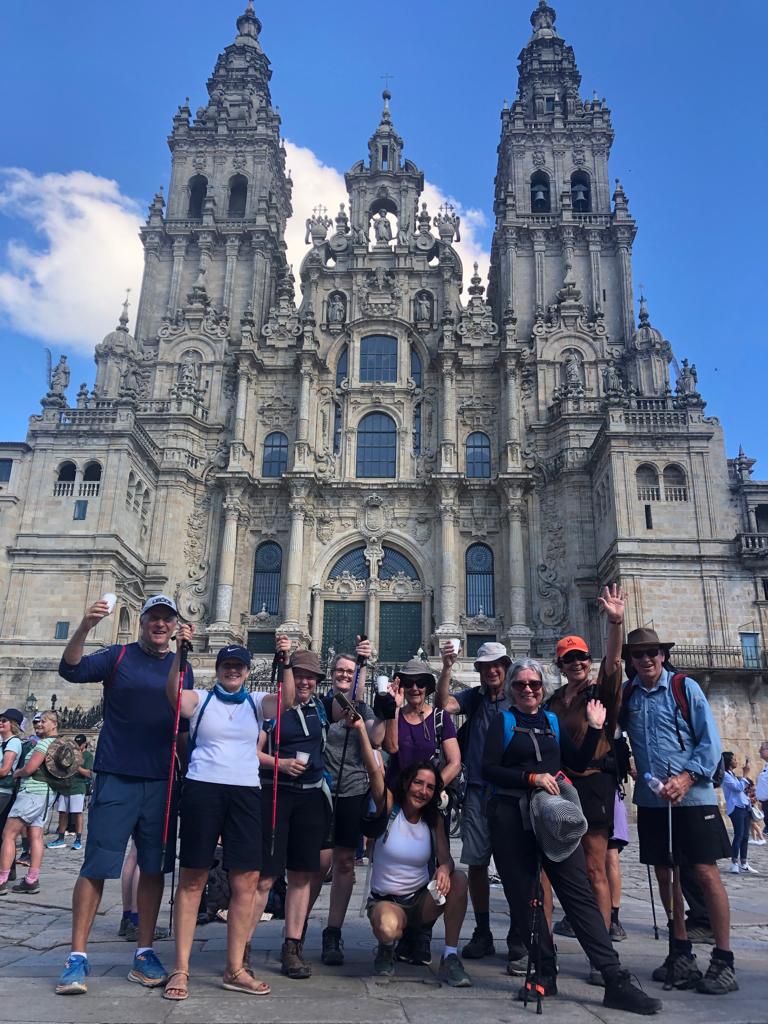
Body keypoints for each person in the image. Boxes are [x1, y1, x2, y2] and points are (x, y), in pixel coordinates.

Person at [482, 658, 661, 1015]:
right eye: (521, 685)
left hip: (553, 816)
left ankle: (614, 977)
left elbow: (576, 762)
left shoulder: (550, 721)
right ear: (511, 690)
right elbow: (487, 768)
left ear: (542, 688)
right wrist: (529, 779)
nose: (528, 690)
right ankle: (544, 973)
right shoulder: (502, 721)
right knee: (524, 898)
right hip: (510, 817)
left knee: (578, 893)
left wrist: (595, 728)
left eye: (534, 684)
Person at [54, 594, 194, 996]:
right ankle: (76, 957)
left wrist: (191, 774)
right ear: (143, 621)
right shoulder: (117, 656)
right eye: (154, 617)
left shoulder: (181, 667)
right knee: (96, 865)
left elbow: (183, 728)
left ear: (173, 625)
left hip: (162, 780)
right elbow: (71, 669)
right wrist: (83, 626)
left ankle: (144, 951)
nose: (161, 624)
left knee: (153, 868)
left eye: (167, 619)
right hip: (116, 775)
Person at [161, 633, 294, 1000]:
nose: (232, 671)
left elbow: (286, 701)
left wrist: (285, 661)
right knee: (193, 878)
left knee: (247, 880)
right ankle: (182, 968)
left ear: (248, 671)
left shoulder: (255, 703)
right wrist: (180, 654)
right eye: (227, 666)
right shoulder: (200, 699)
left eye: (238, 666)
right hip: (203, 788)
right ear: (218, 670)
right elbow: (173, 695)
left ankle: (235, 967)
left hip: (246, 793)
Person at [620, 626, 736, 995]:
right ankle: (681, 950)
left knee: (704, 872)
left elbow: (711, 741)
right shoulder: (629, 695)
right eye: (639, 655)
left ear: (663, 655)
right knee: (665, 874)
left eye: (653, 653)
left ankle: (723, 959)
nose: (647, 659)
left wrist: (687, 777)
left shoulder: (685, 688)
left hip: (693, 798)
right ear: (632, 661)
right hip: (654, 799)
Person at [546, 585, 625, 981]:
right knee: (552, 870)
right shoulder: (554, 700)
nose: (575, 663)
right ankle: (545, 946)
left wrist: (615, 621)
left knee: (595, 868)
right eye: (568, 659)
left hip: (593, 786)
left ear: (588, 661)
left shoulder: (601, 691)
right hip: (561, 789)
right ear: (560, 665)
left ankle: (603, 953)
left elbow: (614, 662)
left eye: (580, 657)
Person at [436, 640, 527, 973]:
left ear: (506, 665)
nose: (492, 670)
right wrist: (447, 667)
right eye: (486, 666)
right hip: (476, 792)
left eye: (497, 664)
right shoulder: (473, 698)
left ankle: (519, 936)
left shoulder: (519, 695)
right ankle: (483, 931)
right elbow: (442, 704)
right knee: (476, 864)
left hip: (510, 793)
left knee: (512, 867)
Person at [250, 648, 331, 981]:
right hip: (276, 795)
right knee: (266, 877)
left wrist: (362, 662)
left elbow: (353, 700)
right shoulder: (272, 710)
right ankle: (242, 946)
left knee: (301, 876)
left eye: (311, 676)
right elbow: (251, 751)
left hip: (310, 798)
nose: (306, 681)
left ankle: (292, 947)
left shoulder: (320, 709)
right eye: (299, 675)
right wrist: (279, 764)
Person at [365, 747, 472, 988]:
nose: (423, 791)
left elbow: (446, 859)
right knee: (387, 928)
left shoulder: (433, 819)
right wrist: (363, 731)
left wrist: (444, 869)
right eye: (418, 783)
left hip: (422, 900)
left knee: (460, 880)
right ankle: (386, 947)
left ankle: (450, 955)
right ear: (406, 784)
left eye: (430, 787)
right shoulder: (390, 807)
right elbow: (374, 774)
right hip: (388, 901)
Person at [306, 639, 381, 966]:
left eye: (349, 672)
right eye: (339, 670)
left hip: (352, 791)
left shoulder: (364, 710)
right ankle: (297, 927)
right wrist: (360, 669)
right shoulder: (322, 705)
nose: (343, 675)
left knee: (346, 863)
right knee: (318, 864)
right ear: (330, 674)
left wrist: (364, 668)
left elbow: (378, 737)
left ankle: (332, 932)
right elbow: (342, 706)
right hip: (321, 790)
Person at [383, 657, 461, 965]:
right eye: (409, 683)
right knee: (398, 861)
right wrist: (392, 708)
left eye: (420, 683)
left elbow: (455, 760)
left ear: (428, 688)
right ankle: (397, 927)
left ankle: (423, 935)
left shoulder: (441, 718)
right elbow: (390, 748)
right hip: (398, 804)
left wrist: (432, 788)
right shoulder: (397, 716)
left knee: (433, 863)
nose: (415, 688)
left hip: (430, 802)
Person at [0, 709, 59, 896]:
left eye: (43, 722)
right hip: (46, 795)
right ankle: (32, 880)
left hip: (31, 793)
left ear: (54, 724)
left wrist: (17, 773)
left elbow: (30, 768)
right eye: (37, 722)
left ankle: (1, 879)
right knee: (36, 837)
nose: (39, 725)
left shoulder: (44, 744)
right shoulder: (57, 743)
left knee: (8, 834)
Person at [47, 734, 93, 851]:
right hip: (65, 786)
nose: (77, 746)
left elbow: (88, 773)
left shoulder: (87, 756)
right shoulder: (68, 753)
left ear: (84, 744)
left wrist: (74, 765)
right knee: (62, 812)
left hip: (78, 787)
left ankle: (78, 839)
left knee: (77, 813)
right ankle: (60, 838)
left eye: (79, 744)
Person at [721, 752, 757, 874]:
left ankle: (744, 863)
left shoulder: (733, 775)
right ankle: (734, 863)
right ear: (728, 762)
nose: (736, 761)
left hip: (744, 807)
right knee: (739, 835)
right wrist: (745, 775)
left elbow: (740, 792)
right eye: (734, 759)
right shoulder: (725, 775)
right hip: (736, 809)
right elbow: (737, 788)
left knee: (745, 836)